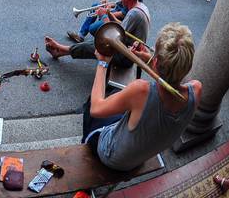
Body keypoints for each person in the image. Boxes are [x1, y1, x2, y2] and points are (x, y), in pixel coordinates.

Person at [81, 22, 201, 171]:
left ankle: (85, 146)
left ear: (156, 62)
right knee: (117, 97)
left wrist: (102, 63)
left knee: (90, 105)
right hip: (142, 155)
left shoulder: (141, 91)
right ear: (187, 65)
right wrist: (149, 59)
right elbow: (170, 80)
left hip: (112, 156)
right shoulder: (196, 90)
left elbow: (96, 108)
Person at [47, 0, 150, 70]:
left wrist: (104, 17)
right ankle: (61, 51)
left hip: (126, 57)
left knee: (96, 45)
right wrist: (109, 14)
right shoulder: (140, 6)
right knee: (95, 41)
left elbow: (114, 37)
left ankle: (60, 49)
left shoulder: (134, 14)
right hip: (127, 49)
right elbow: (122, 26)